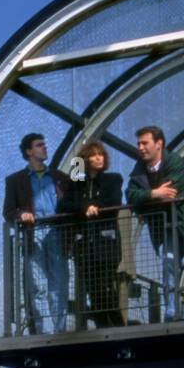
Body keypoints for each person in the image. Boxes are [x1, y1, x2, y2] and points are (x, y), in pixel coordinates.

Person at [126, 126, 184, 321]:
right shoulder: (139, 169)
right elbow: (131, 196)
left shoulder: (173, 160)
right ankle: (173, 311)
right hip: (165, 227)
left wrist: (146, 201)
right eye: (138, 144)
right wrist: (154, 194)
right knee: (169, 264)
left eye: (144, 143)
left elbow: (172, 193)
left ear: (159, 144)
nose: (140, 148)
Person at [3, 132, 71, 333]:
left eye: (44, 145)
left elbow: (73, 200)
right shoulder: (15, 180)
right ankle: (45, 331)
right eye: (39, 145)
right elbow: (8, 211)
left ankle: (59, 330)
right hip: (35, 233)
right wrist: (21, 214)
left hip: (57, 231)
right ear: (28, 151)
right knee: (38, 284)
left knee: (59, 283)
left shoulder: (60, 177)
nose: (45, 148)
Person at [63, 141, 124, 329]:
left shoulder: (113, 179)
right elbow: (65, 204)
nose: (99, 158)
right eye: (93, 155)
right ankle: (103, 326)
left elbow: (113, 202)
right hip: (84, 248)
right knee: (92, 290)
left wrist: (93, 206)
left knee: (105, 287)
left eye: (101, 155)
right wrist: (84, 207)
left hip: (106, 245)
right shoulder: (79, 180)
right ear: (85, 159)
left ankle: (116, 326)